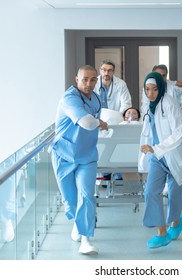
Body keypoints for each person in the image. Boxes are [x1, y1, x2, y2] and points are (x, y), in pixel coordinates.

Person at [49, 65, 108, 255]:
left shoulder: (96, 98)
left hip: (87, 156)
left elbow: (97, 118)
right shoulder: (69, 99)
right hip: (63, 155)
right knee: (71, 201)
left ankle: (86, 239)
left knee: (86, 196)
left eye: (92, 80)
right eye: (85, 79)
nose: (89, 84)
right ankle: (78, 223)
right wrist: (99, 122)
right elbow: (87, 122)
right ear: (76, 79)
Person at [139, 72, 182, 249]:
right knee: (151, 191)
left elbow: (179, 133)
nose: (150, 93)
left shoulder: (169, 103)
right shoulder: (150, 105)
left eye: (154, 89)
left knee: (174, 193)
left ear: (161, 88)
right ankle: (161, 233)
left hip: (176, 155)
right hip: (158, 157)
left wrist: (156, 148)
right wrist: (148, 148)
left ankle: (175, 222)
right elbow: (148, 130)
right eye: (147, 90)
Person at [94, 60, 132, 180]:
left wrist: (116, 117)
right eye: (104, 70)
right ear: (100, 70)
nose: (107, 73)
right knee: (101, 149)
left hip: (116, 122)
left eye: (109, 70)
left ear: (113, 72)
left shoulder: (121, 84)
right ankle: (105, 175)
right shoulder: (94, 83)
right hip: (98, 123)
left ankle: (117, 176)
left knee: (116, 150)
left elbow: (126, 103)